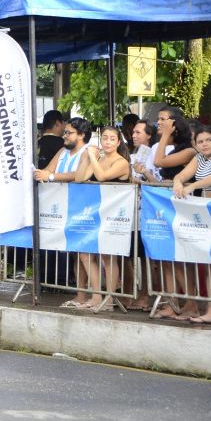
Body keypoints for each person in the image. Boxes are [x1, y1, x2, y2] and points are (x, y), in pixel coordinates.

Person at [71, 126, 131, 312]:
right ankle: (96, 295)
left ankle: (110, 299)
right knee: (85, 253)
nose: (107, 142)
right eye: (105, 138)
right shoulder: (99, 159)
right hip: (96, 212)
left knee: (108, 256)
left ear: (118, 142)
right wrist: (87, 157)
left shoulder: (121, 162)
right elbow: (80, 178)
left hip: (114, 214)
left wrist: (93, 159)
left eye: (112, 139)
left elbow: (102, 176)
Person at [35, 117, 92, 299]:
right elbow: (49, 170)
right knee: (75, 253)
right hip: (59, 207)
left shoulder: (88, 151)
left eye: (69, 133)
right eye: (65, 132)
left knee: (84, 253)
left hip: (80, 206)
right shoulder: (61, 151)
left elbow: (78, 175)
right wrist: (45, 175)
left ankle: (95, 293)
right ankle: (81, 294)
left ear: (82, 135)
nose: (64, 136)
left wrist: (52, 177)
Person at [172, 125, 211, 325]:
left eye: (208, 140)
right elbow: (182, 175)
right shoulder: (199, 158)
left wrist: (192, 186)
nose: (204, 144)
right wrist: (178, 182)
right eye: (200, 141)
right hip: (209, 216)